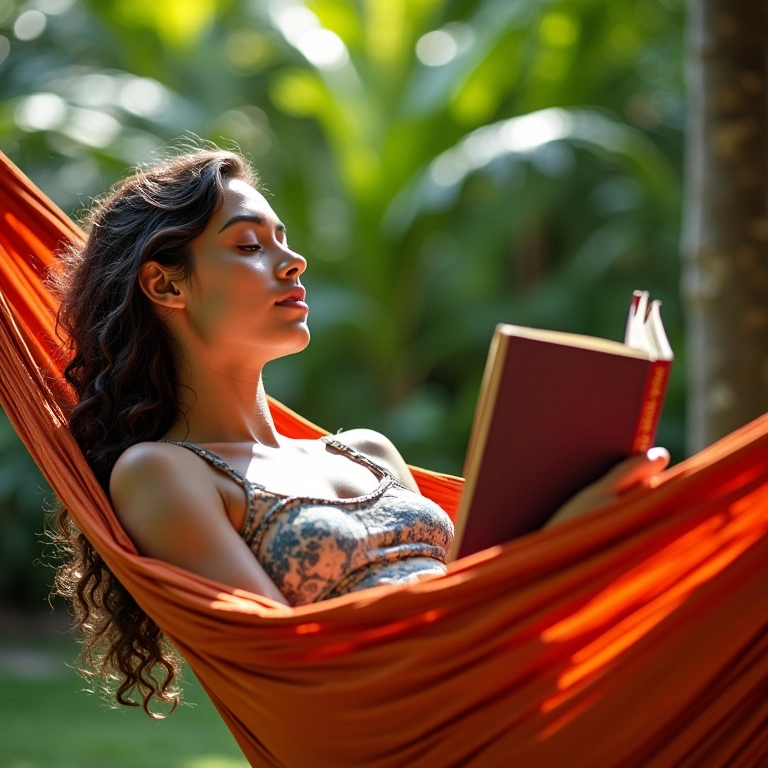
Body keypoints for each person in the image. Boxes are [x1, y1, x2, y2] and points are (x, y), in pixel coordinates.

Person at [52, 145, 669, 714]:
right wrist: (558, 543)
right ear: (166, 282)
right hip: (411, 731)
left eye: (283, 240)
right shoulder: (164, 471)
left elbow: (468, 606)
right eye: (248, 247)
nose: (294, 262)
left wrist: (575, 531)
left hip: (506, 695)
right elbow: (291, 674)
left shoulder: (368, 452)